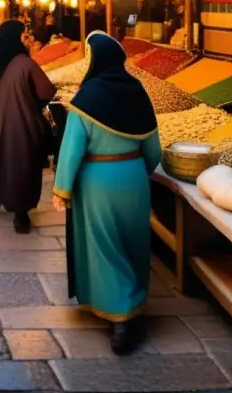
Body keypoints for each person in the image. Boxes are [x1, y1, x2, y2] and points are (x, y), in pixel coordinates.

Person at [52, 32, 161, 354]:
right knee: (133, 241)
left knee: (106, 246)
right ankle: (135, 303)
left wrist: (62, 189)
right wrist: (140, 171)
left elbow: (71, 150)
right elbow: (153, 148)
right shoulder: (138, 91)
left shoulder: (86, 98)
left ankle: (121, 319)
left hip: (97, 180)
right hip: (134, 177)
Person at [0, 20, 55, 232]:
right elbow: (46, 91)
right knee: (21, 162)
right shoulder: (23, 62)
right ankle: (20, 212)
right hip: (21, 118)